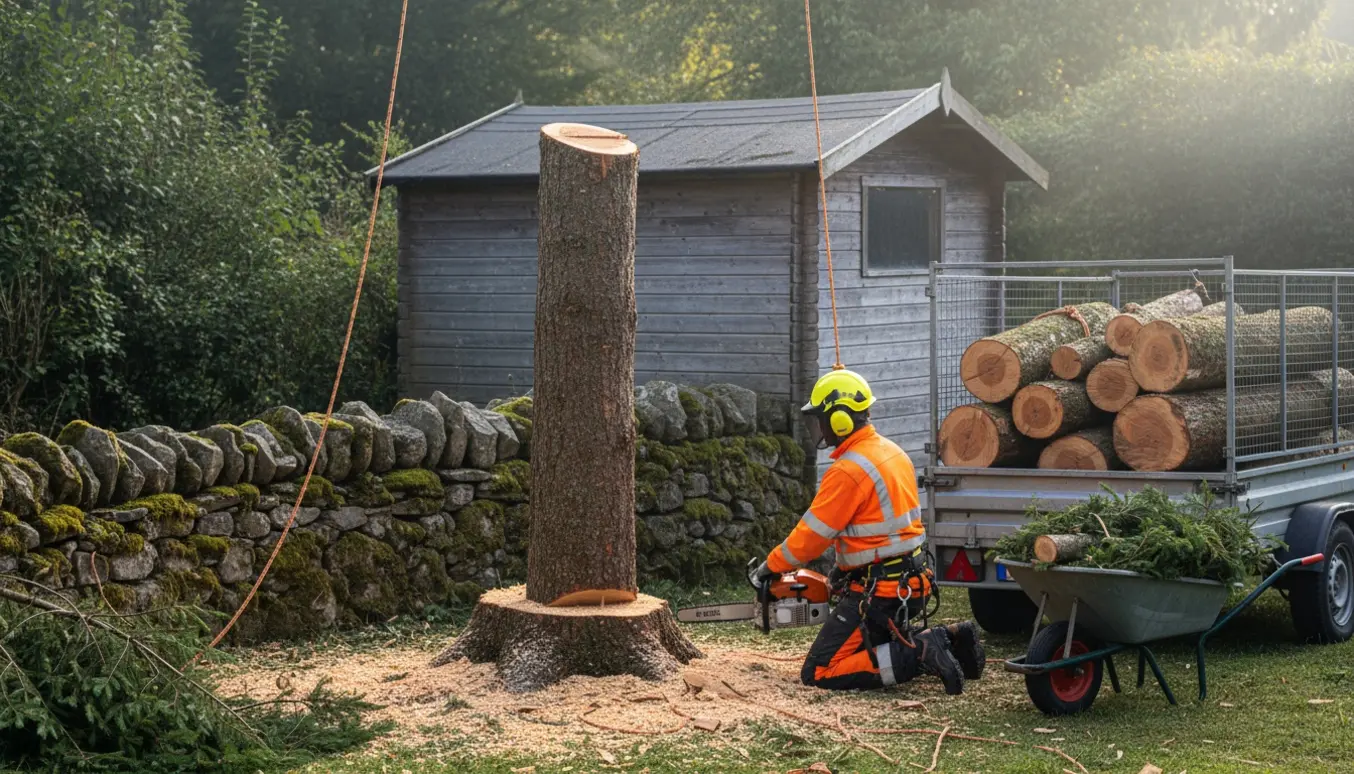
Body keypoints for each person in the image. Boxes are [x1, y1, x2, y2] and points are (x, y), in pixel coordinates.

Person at [749, 369, 985, 694]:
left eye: (821, 418)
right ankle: (954, 639)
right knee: (864, 650)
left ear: (840, 420)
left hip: (881, 594)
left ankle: (921, 652)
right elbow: (879, 530)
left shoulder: (849, 469)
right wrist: (842, 570)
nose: (819, 427)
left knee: (820, 670)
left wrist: (771, 567)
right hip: (910, 582)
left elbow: (811, 537)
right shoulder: (891, 451)